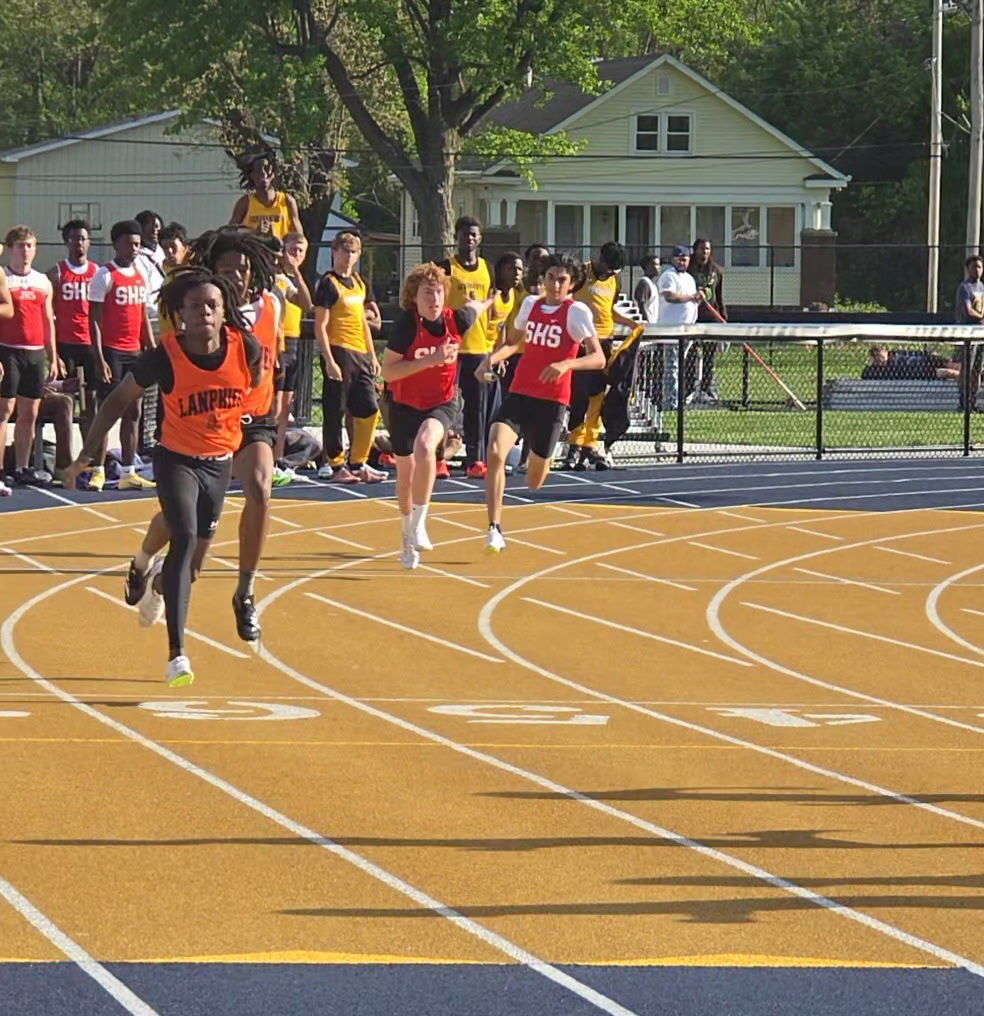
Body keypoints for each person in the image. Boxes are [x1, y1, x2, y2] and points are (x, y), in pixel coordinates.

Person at [63, 268, 261, 688]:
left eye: (212, 305)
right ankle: (178, 655)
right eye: (194, 307)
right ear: (179, 315)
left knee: (190, 568)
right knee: (184, 537)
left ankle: (145, 572)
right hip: (176, 459)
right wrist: (85, 454)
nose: (204, 313)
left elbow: (257, 386)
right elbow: (116, 401)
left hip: (219, 463)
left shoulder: (246, 347)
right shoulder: (164, 356)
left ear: (225, 311)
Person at [126, 227, 284, 645]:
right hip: (200, 421)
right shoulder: (204, 311)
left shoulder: (271, 305)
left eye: (244, 269)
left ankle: (245, 592)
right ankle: (144, 561)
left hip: (253, 417)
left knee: (261, 488)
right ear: (211, 272)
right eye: (227, 269)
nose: (237, 276)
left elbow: (273, 362)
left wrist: (276, 416)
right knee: (184, 527)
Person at [476, 253, 604, 553]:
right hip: (521, 392)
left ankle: (535, 451)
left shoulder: (577, 312)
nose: (555, 285)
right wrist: (489, 360)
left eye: (562, 280)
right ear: (542, 279)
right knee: (494, 450)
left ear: (571, 284)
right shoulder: (531, 305)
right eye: (550, 278)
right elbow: (516, 343)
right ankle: (494, 527)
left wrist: (566, 364)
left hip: (552, 402)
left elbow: (598, 357)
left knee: (534, 481)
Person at [381, 263, 488, 568]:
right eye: (427, 293)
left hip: (441, 402)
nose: (434, 298)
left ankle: (420, 522)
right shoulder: (406, 326)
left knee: (427, 446)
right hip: (402, 404)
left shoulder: (458, 320)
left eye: (439, 291)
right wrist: (431, 360)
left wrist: (489, 302)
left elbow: (475, 308)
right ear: (414, 298)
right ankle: (406, 531)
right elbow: (388, 370)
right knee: (405, 475)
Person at [86, 219, 156, 492]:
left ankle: (128, 470)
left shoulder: (141, 274)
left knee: (133, 411)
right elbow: (94, 320)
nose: (134, 249)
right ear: (116, 244)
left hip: (135, 352)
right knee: (107, 410)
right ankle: (99, 469)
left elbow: (142, 314)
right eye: (129, 243)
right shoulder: (105, 274)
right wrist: (100, 358)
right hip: (112, 351)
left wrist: (150, 346)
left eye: (138, 244)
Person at [314, 230, 386, 483]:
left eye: (353, 252)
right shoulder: (328, 283)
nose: (348, 256)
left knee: (369, 409)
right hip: (338, 349)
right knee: (335, 410)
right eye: (344, 251)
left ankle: (359, 462)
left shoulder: (359, 282)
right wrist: (329, 360)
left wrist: (372, 355)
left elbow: (363, 321)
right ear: (334, 252)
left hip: (360, 353)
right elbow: (320, 325)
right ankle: (335, 464)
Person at [566, 241, 637, 470]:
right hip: (581, 340)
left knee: (598, 395)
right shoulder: (581, 273)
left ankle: (591, 442)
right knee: (579, 394)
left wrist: (632, 323)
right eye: (608, 268)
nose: (610, 273)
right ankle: (574, 443)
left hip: (605, 342)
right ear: (600, 258)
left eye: (614, 271)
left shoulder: (615, 279)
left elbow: (610, 310)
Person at [0, 225, 58, 487]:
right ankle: (1, 470)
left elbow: (48, 320)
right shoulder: (3, 278)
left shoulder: (42, 281)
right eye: (21, 246)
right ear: (10, 249)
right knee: (4, 410)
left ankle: (22, 467)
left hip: (35, 354)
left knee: (29, 413)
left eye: (30, 246)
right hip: (8, 350)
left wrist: (53, 355)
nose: (26, 251)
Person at [438, 216, 495, 478]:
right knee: (444, 404)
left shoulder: (486, 268)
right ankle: (439, 458)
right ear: (457, 237)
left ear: (479, 238)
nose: (469, 239)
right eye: (464, 234)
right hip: (451, 347)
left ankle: (476, 459)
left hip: (479, 347)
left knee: (477, 408)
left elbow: (492, 308)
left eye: (473, 234)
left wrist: (493, 347)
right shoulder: (446, 268)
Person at [48, 219, 99, 441]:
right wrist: (53, 353)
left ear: (89, 243)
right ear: (66, 242)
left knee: (91, 402)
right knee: (66, 403)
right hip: (66, 344)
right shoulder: (57, 273)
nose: (78, 243)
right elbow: (46, 313)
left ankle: (91, 460)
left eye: (83, 239)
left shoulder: (98, 272)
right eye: (74, 238)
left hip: (89, 344)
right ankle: (65, 460)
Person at [272, 230, 313, 483]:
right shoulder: (273, 277)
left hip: (294, 340)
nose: (295, 255)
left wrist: (296, 271)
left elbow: (307, 303)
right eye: (291, 250)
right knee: (274, 403)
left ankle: (278, 459)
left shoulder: (290, 279)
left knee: (286, 405)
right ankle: (265, 456)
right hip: (276, 342)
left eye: (300, 251)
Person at [657, 244, 701, 411]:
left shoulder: (689, 279)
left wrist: (697, 298)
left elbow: (691, 299)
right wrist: (691, 297)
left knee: (681, 367)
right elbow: (670, 296)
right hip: (671, 330)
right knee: (672, 367)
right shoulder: (668, 276)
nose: (682, 261)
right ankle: (670, 403)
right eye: (679, 258)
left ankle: (678, 398)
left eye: (685, 258)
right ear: (673, 259)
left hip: (687, 329)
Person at [685, 238, 726, 402]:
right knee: (691, 353)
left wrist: (723, 316)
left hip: (711, 318)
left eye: (708, 249)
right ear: (695, 250)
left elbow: (719, 296)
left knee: (709, 354)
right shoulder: (687, 270)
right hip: (692, 317)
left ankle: (706, 388)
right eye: (702, 249)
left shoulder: (715, 271)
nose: (705, 252)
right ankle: (688, 388)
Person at [230, 150, 303, 239]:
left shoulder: (288, 201)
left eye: (267, 168)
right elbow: (228, 233)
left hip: (280, 251)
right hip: (253, 251)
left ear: (273, 173)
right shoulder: (245, 202)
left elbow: (299, 239)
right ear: (251, 175)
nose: (263, 173)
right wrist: (254, 233)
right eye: (258, 170)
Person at [956, 254, 984, 411]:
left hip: (981, 333)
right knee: (967, 367)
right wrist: (981, 316)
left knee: (977, 369)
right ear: (968, 269)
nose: (977, 270)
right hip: (968, 332)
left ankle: (973, 401)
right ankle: (963, 402)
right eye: (974, 267)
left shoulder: (982, 287)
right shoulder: (965, 288)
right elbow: (968, 311)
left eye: (979, 267)